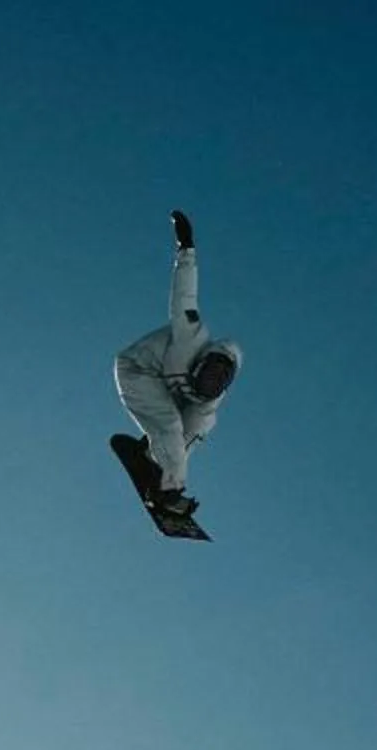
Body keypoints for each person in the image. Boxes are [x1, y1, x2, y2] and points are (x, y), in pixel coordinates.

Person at [114, 209, 242, 519]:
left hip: (169, 390)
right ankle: (165, 493)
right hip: (139, 371)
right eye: (208, 374)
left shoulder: (209, 401)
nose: (208, 385)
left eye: (217, 382)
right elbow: (184, 295)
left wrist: (167, 462)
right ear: (202, 361)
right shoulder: (191, 336)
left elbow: (191, 435)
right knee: (170, 425)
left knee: (192, 431)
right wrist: (186, 248)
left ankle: (153, 458)